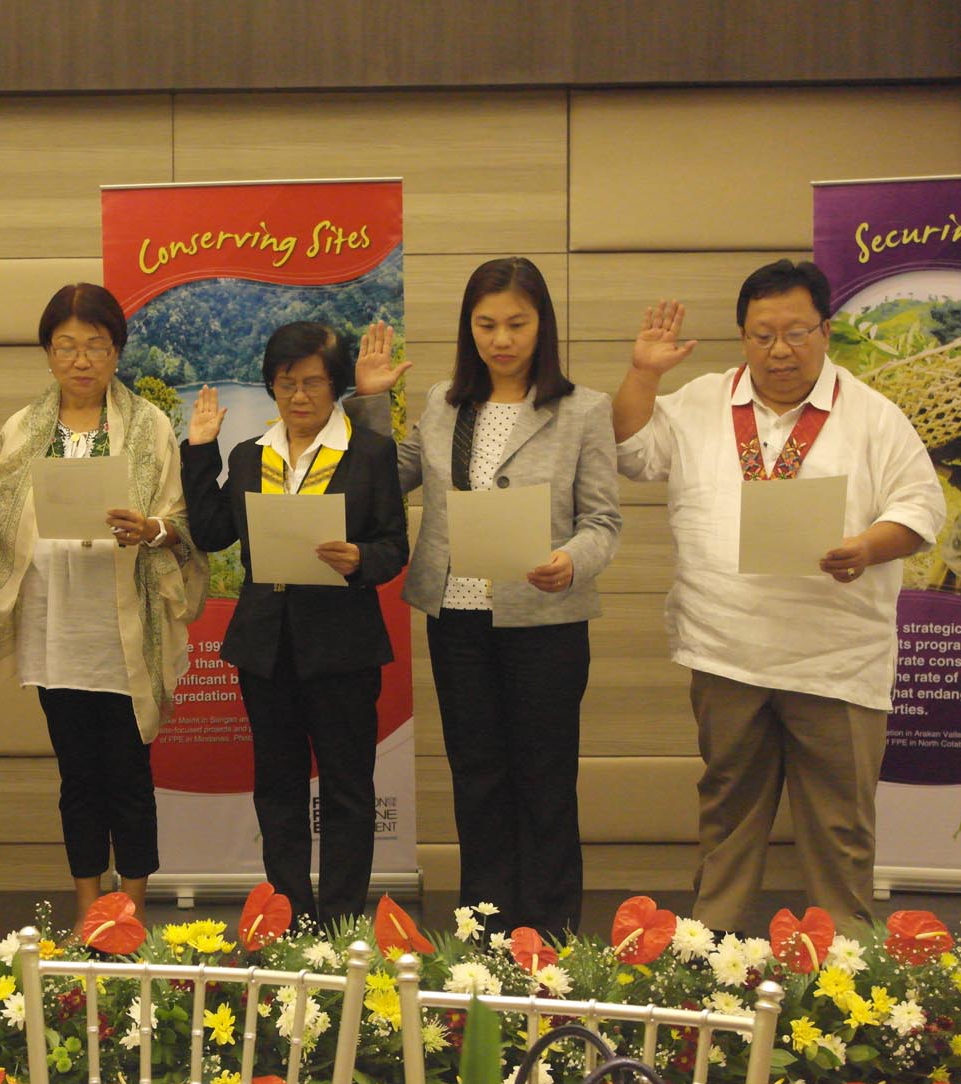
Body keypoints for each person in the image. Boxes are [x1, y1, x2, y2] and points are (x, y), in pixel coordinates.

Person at [613, 259, 946, 932]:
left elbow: (921, 508)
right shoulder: (703, 401)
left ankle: (845, 978)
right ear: (742, 337)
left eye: (796, 331)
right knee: (728, 816)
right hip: (726, 652)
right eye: (762, 334)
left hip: (836, 661)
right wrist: (645, 374)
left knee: (839, 829)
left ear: (826, 329)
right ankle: (710, 963)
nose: (780, 350)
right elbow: (629, 450)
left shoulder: (872, 415)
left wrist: (868, 548)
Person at [346, 258, 621, 936]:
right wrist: (372, 401)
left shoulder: (583, 408)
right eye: (487, 324)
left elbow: (604, 522)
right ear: (470, 328)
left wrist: (572, 560)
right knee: (478, 778)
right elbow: (388, 479)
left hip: (545, 617)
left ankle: (552, 936)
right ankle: (486, 934)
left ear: (542, 326)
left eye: (517, 324)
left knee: (545, 779)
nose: (502, 339)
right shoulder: (445, 404)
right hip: (458, 617)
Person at [0, 283, 207, 936]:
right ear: (48, 352)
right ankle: (89, 908)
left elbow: (182, 520)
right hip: (57, 628)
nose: (81, 359)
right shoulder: (26, 428)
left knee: (130, 775)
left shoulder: (150, 426)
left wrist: (151, 530)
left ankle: (131, 910)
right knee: (78, 775)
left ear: (116, 351)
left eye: (95, 345)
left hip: (126, 625)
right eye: (66, 346)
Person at [181, 321, 408, 927]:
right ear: (271, 387)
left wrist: (361, 559)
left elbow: (394, 546)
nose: (299, 396)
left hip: (343, 649)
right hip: (267, 649)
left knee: (347, 790)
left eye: (312, 383)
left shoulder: (369, 452)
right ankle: (287, 915)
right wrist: (201, 450)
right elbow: (210, 533)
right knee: (276, 789)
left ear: (335, 387)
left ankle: (339, 922)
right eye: (286, 384)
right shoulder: (251, 456)